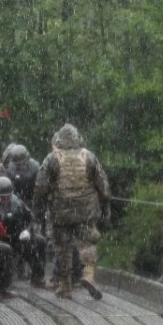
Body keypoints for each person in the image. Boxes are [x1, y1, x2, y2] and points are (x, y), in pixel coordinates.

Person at [33, 123, 110, 300]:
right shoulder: (88, 157)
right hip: (86, 210)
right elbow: (103, 186)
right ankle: (88, 275)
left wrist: (38, 213)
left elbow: (40, 188)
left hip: (60, 211)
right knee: (87, 243)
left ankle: (64, 285)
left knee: (63, 247)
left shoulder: (52, 158)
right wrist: (105, 208)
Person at [0, 176, 48, 288]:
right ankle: (0, 284)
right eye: (3, 197)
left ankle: (37, 277)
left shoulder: (18, 202)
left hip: (19, 237)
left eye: (8, 197)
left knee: (39, 242)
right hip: (0, 240)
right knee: (4, 251)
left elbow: (31, 219)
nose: (6, 200)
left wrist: (28, 230)